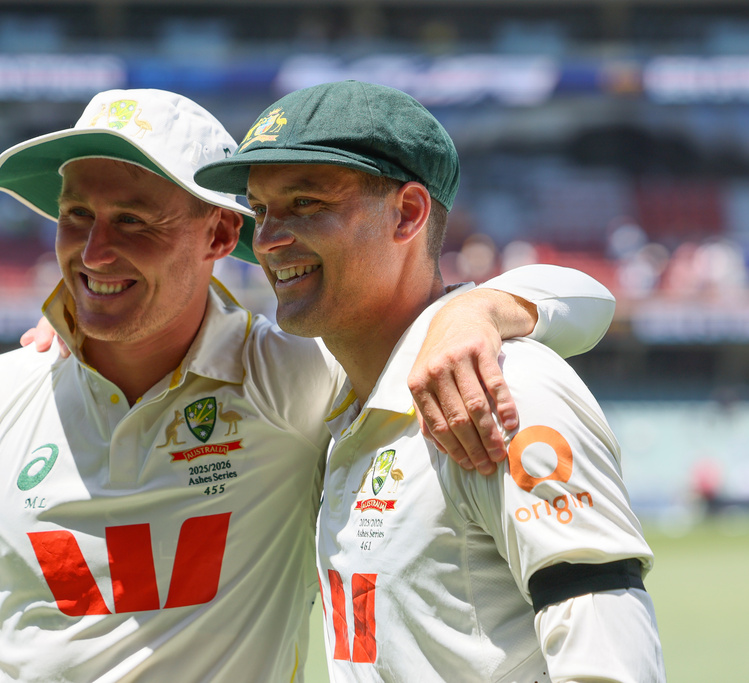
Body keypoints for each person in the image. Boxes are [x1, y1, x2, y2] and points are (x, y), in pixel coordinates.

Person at [0, 88, 615, 682]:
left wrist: (479, 308)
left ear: (224, 238)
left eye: (134, 220)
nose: (95, 252)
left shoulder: (300, 375)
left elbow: (585, 300)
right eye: (77, 217)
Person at [194, 80, 665, 682]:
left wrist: (481, 309)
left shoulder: (502, 388)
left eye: (306, 203)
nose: (267, 239)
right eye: (259, 211)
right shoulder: (332, 396)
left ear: (408, 214)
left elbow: (608, 662)